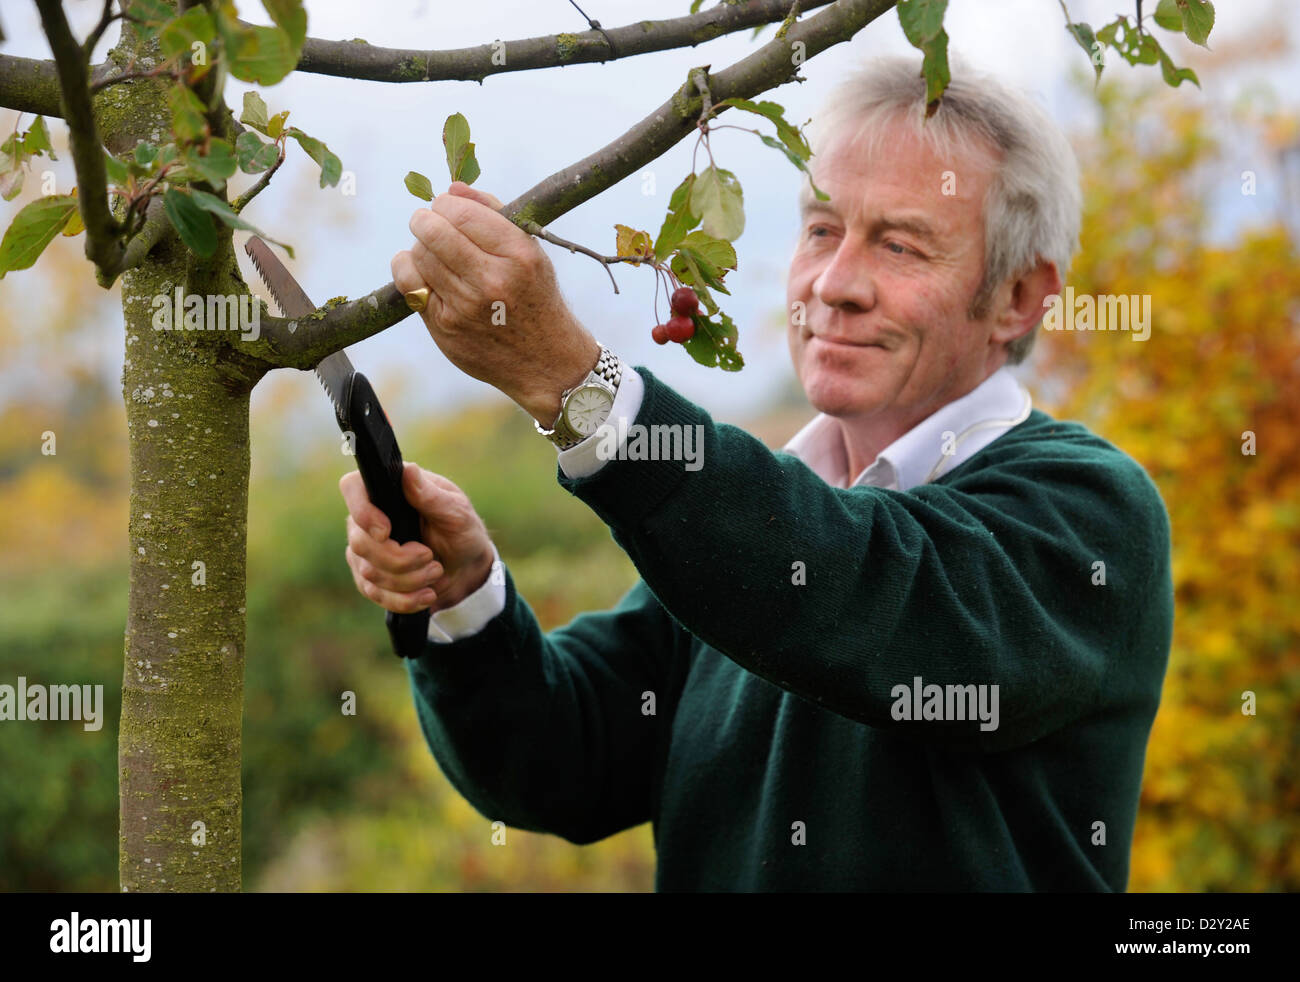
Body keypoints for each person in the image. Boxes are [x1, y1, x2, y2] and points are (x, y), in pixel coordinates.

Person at [340, 55, 1173, 890]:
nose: (834, 284)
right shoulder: (747, 537)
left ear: (1020, 298)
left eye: (900, 244)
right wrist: (465, 598)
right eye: (821, 229)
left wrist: (576, 386)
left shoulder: (1089, 512)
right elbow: (561, 760)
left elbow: (858, 586)